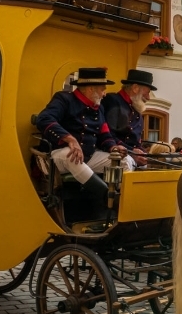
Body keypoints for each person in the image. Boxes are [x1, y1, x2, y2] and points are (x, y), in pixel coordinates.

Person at [35, 67, 123, 218]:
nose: (105, 93)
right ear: (90, 89)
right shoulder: (63, 99)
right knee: (72, 155)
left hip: (88, 157)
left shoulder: (99, 107)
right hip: (58, 156)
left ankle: (120, 201)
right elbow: (44, 119)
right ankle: (111, 200)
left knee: (124, 161)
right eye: (103, 89)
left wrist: (114, 147)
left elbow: (104, 134)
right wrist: (70, 139)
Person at [101, 69, 156, 170]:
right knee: (127, 162)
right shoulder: (113, 101)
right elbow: (109, 135)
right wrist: (132, 152)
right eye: (147, 92)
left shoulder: (137, 109)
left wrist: (142, 153)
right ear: (135, 88)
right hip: (114, 153)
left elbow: (136, 142)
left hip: (130, 155)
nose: (148, 98)